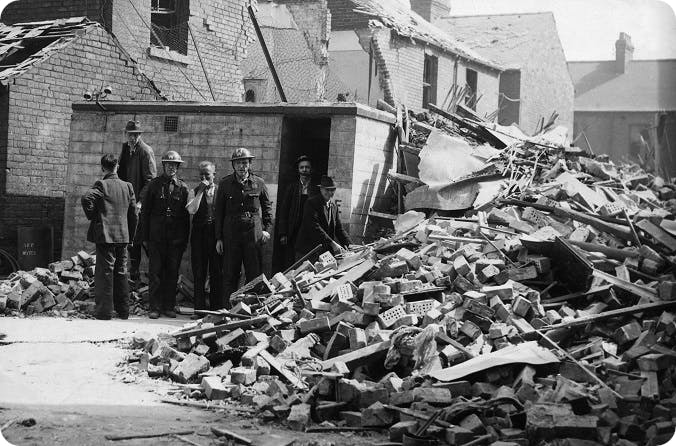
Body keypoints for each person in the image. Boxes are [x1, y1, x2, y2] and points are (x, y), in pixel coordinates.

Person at [214, 148, 273, 308]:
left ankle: (252, 309)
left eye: (245, 163)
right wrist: (219, 238)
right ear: (233, 165)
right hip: (231, 234)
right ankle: (227, 310)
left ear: (249, 164)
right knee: (230, 273)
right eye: (238, 163)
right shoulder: (225, 184)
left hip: (253, 233)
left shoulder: (258, 183)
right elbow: (219, 212)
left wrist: (267, 229)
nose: (242, 166)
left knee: (254, 273)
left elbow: (267, 209)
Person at [81, 154, 137, 320]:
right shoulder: (128, 186)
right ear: (117, 166)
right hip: (123, 236)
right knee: (121, 272)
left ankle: (104, 313)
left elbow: (86, 198)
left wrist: (94, 216)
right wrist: (131, 236)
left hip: (106, 236)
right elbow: (134, 214)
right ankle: (123, 311)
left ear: (102, 168)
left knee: (105, 273)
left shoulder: (102, 184)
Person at [137, 151, 190, 319]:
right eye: (168, 164)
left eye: (174, 165)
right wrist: (144, 237)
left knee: (172, 273)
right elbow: (145, 213)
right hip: (156, 238)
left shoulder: (183, 187)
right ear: (164, 166)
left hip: (175, 239)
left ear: (178, 167)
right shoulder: (154, 185)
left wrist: (183, 240)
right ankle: (155, 307)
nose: (171, 167)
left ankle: (169, 306)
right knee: (155, 273)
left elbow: (185, 217)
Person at [117, 120, 157, 282]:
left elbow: (150, 180)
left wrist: (140, 201)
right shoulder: (125, 149)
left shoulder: (145, 151)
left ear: (139, 135)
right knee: (126, 238)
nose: (132, 138)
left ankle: (139, 276)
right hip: (125, 202)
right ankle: (128, 276)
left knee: (138, 239)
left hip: (139, 204)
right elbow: (120, 173)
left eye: (135, 135)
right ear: (126, 134)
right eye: (130, 135)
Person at [186, 161, 222, 311]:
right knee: (199, 271)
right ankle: (199, 308)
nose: (204, 177)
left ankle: (215, 308)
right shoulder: (194, 191)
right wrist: (201, 191)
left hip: (215, 234)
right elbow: (191, 210)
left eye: (207, 174)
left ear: (214, 175)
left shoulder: (221, 191)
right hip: (199, 235)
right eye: (201, 175)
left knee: (216, 271)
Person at [295, 175, 351, 259]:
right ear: (321, 189)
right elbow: (314, 226)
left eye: (332, 190)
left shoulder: (334, 207)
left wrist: (351, 246)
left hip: (322, 253)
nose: (329, 192)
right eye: (327, 190)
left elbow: (339, 229)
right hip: (307, 251)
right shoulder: (311, 203)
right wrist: (332, 243)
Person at [278, 155, 318, 268]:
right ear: (298, 170)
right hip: (293, 229)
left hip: (309, 229)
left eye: (307, 167)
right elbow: (284, 210)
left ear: (311, 169)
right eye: (302, 167)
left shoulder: (315, 188)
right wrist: (283, 233)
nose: (304, 170)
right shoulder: (292, 187)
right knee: (291, 259)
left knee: (307, 259)